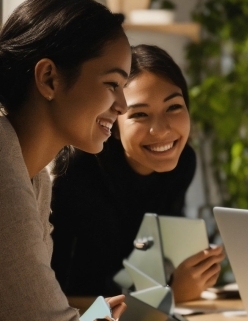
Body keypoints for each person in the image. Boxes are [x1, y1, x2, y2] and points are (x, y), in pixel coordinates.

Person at [0, 0, 248, 321]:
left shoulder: (32, 179)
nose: (119, 105)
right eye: (112, 85)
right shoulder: (17, 184)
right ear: (48, 80)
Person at [51, 44, 222, 302]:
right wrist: (171, 296)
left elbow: (147, 270)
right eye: (140, 114)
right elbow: (52, 303)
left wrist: (190, 273)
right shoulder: (77, 172)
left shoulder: (183, 163)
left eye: (174, 107)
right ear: (114, 125)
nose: (162, 130)